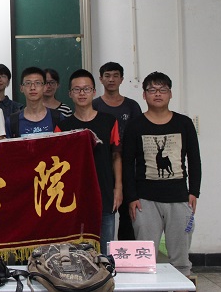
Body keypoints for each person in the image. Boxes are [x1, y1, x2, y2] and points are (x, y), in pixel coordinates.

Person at [122, 71, 201, 278]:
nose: (157, 94)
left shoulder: (184, 123)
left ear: (170, 94)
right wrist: (131, 197)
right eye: (152, 90)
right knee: (145, 257)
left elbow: (194, 159)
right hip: (145, 200)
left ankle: (181, 284)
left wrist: (194, 191)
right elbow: (127, 164)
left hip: (179, 197)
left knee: (181, 257)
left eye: (163, 89)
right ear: (144, 95)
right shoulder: (135, 125)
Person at [57, 69, 121, 254]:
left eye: (86, 89)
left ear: (94, 91)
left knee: (105, 252)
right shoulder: (63, 127)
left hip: (104, 193)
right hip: (73, 198)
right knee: (75, 253)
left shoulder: (109, 121)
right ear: (70, 94)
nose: (82, 93)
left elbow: (116, 156)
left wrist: (118, 188)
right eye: (77, 89)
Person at [92, 61, 143, 241]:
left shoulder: (132, 106)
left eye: (115, 76)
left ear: (122, 79)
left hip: (129, 168)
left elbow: (139, 136)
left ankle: (123, 254)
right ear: (100, 79)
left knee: (129, 216)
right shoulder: (94, 105)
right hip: (104, 168)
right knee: (103, 216)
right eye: (107, 76)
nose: (111, 79)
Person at [7, 67, 64, 138]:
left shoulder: (57, 117)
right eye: (28, 83)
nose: (32, 88)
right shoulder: (12, 121)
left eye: (37, 83)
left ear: (45, 87)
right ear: (21, 88)